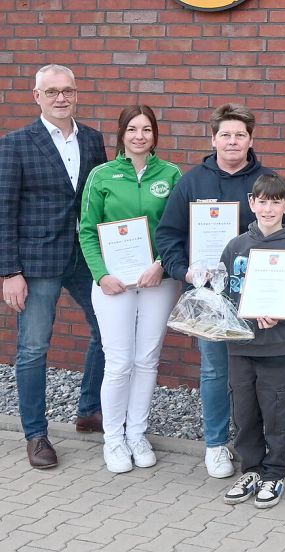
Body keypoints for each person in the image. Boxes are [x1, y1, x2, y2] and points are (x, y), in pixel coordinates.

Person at [156, 103, 285, 478]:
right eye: (226, 134)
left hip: (265, 302)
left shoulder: (268, 181)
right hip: (215, 301)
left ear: (251, 139)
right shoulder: (192, 181)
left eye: (240, 135)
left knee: (276, 372)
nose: (233, 141)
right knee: (217, 371)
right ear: (213, 138)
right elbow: (167, 234)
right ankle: (216, 445)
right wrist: (186, 271)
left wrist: (277, 298)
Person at [0, 64, 107, 469]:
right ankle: (36, 434)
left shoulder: (93, 141)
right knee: (32, 349)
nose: (61, 98)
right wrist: (10, 272)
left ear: (76, 94)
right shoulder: (16, 144)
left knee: (107, 331)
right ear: (37, 96)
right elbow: (4, 210)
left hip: (84, 258)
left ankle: (89, 410)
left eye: (68, 91)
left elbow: (97, 200)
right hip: (37, 261)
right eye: (52, 92)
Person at [79, 105, 183, 474]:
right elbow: (87, 229)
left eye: (147, 129)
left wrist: (160, 265)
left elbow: (177, 228)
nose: (140, 136)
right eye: (132, 129)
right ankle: (113, 439)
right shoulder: (102, 175)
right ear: (121, 134)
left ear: (155, 135)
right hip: (114, 284)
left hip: (158, 281)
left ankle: (137, 433)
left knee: (147, 359)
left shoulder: (170, 174)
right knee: (120, 361)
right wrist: (102, 274)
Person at [219, 174, 285, 509]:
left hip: (277, 346)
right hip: (241, 347)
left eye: (276, 201)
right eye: (262, 201)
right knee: (245, 413)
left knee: (276, 413)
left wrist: (281, 312)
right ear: (252, 204)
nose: (268, 207)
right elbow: (226, 292)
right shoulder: (236, 246)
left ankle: (274, 473)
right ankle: (252, 470)